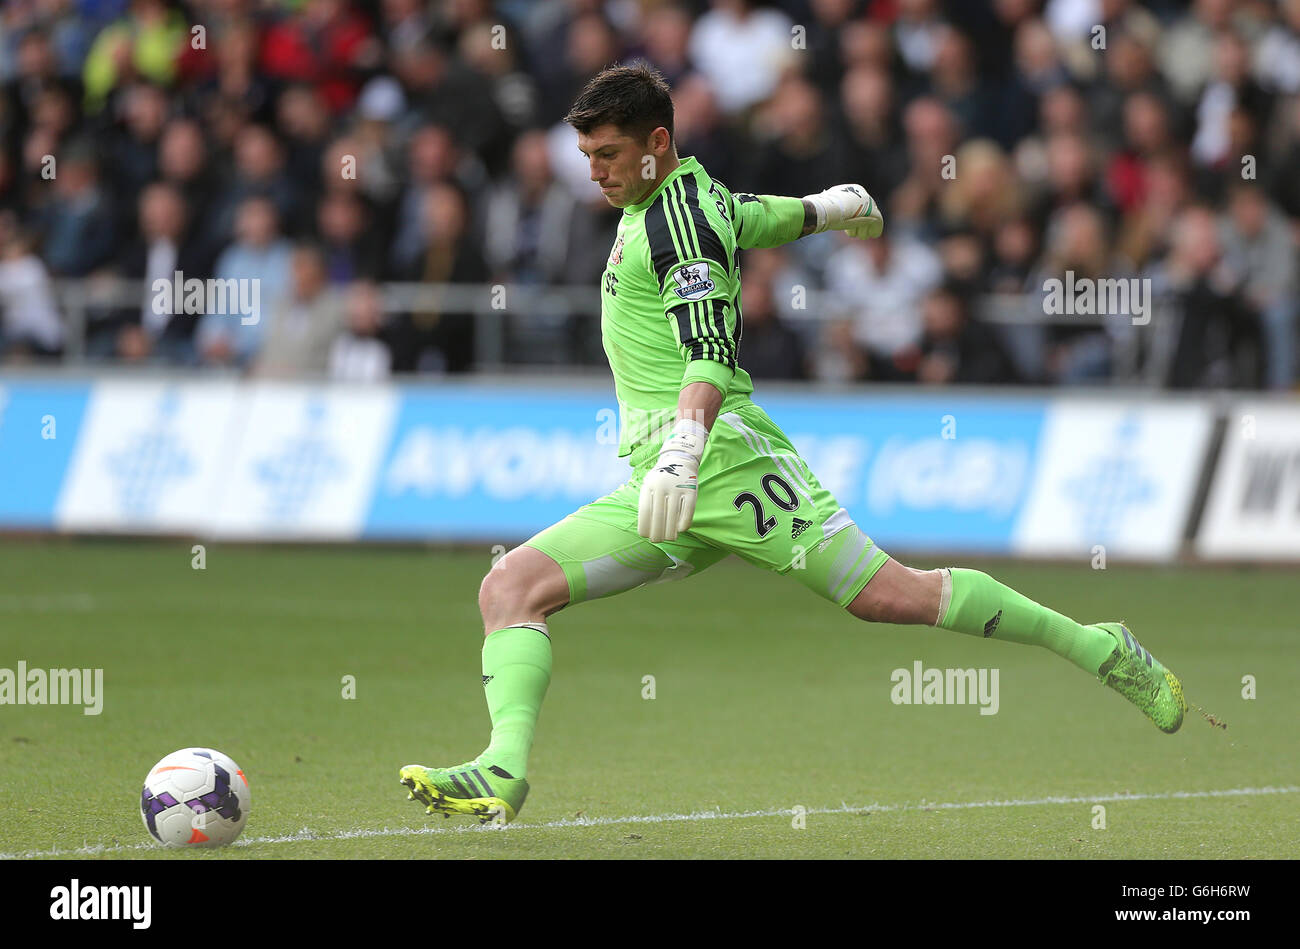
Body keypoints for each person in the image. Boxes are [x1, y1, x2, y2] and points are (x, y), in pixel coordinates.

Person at [399, 64, 1186, 826]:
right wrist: (825, 208)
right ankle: (503, 768)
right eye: (586, 157)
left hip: (719, 459)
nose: (595, 172)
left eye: (607, 154)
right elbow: (746, 214)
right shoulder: (680, 194)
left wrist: (682, 446)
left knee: (890, 597)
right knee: (510, 589)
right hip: (664, 479)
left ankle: (1099, 646)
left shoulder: (675, 222)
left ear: (657, 142)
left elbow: (707, 345)